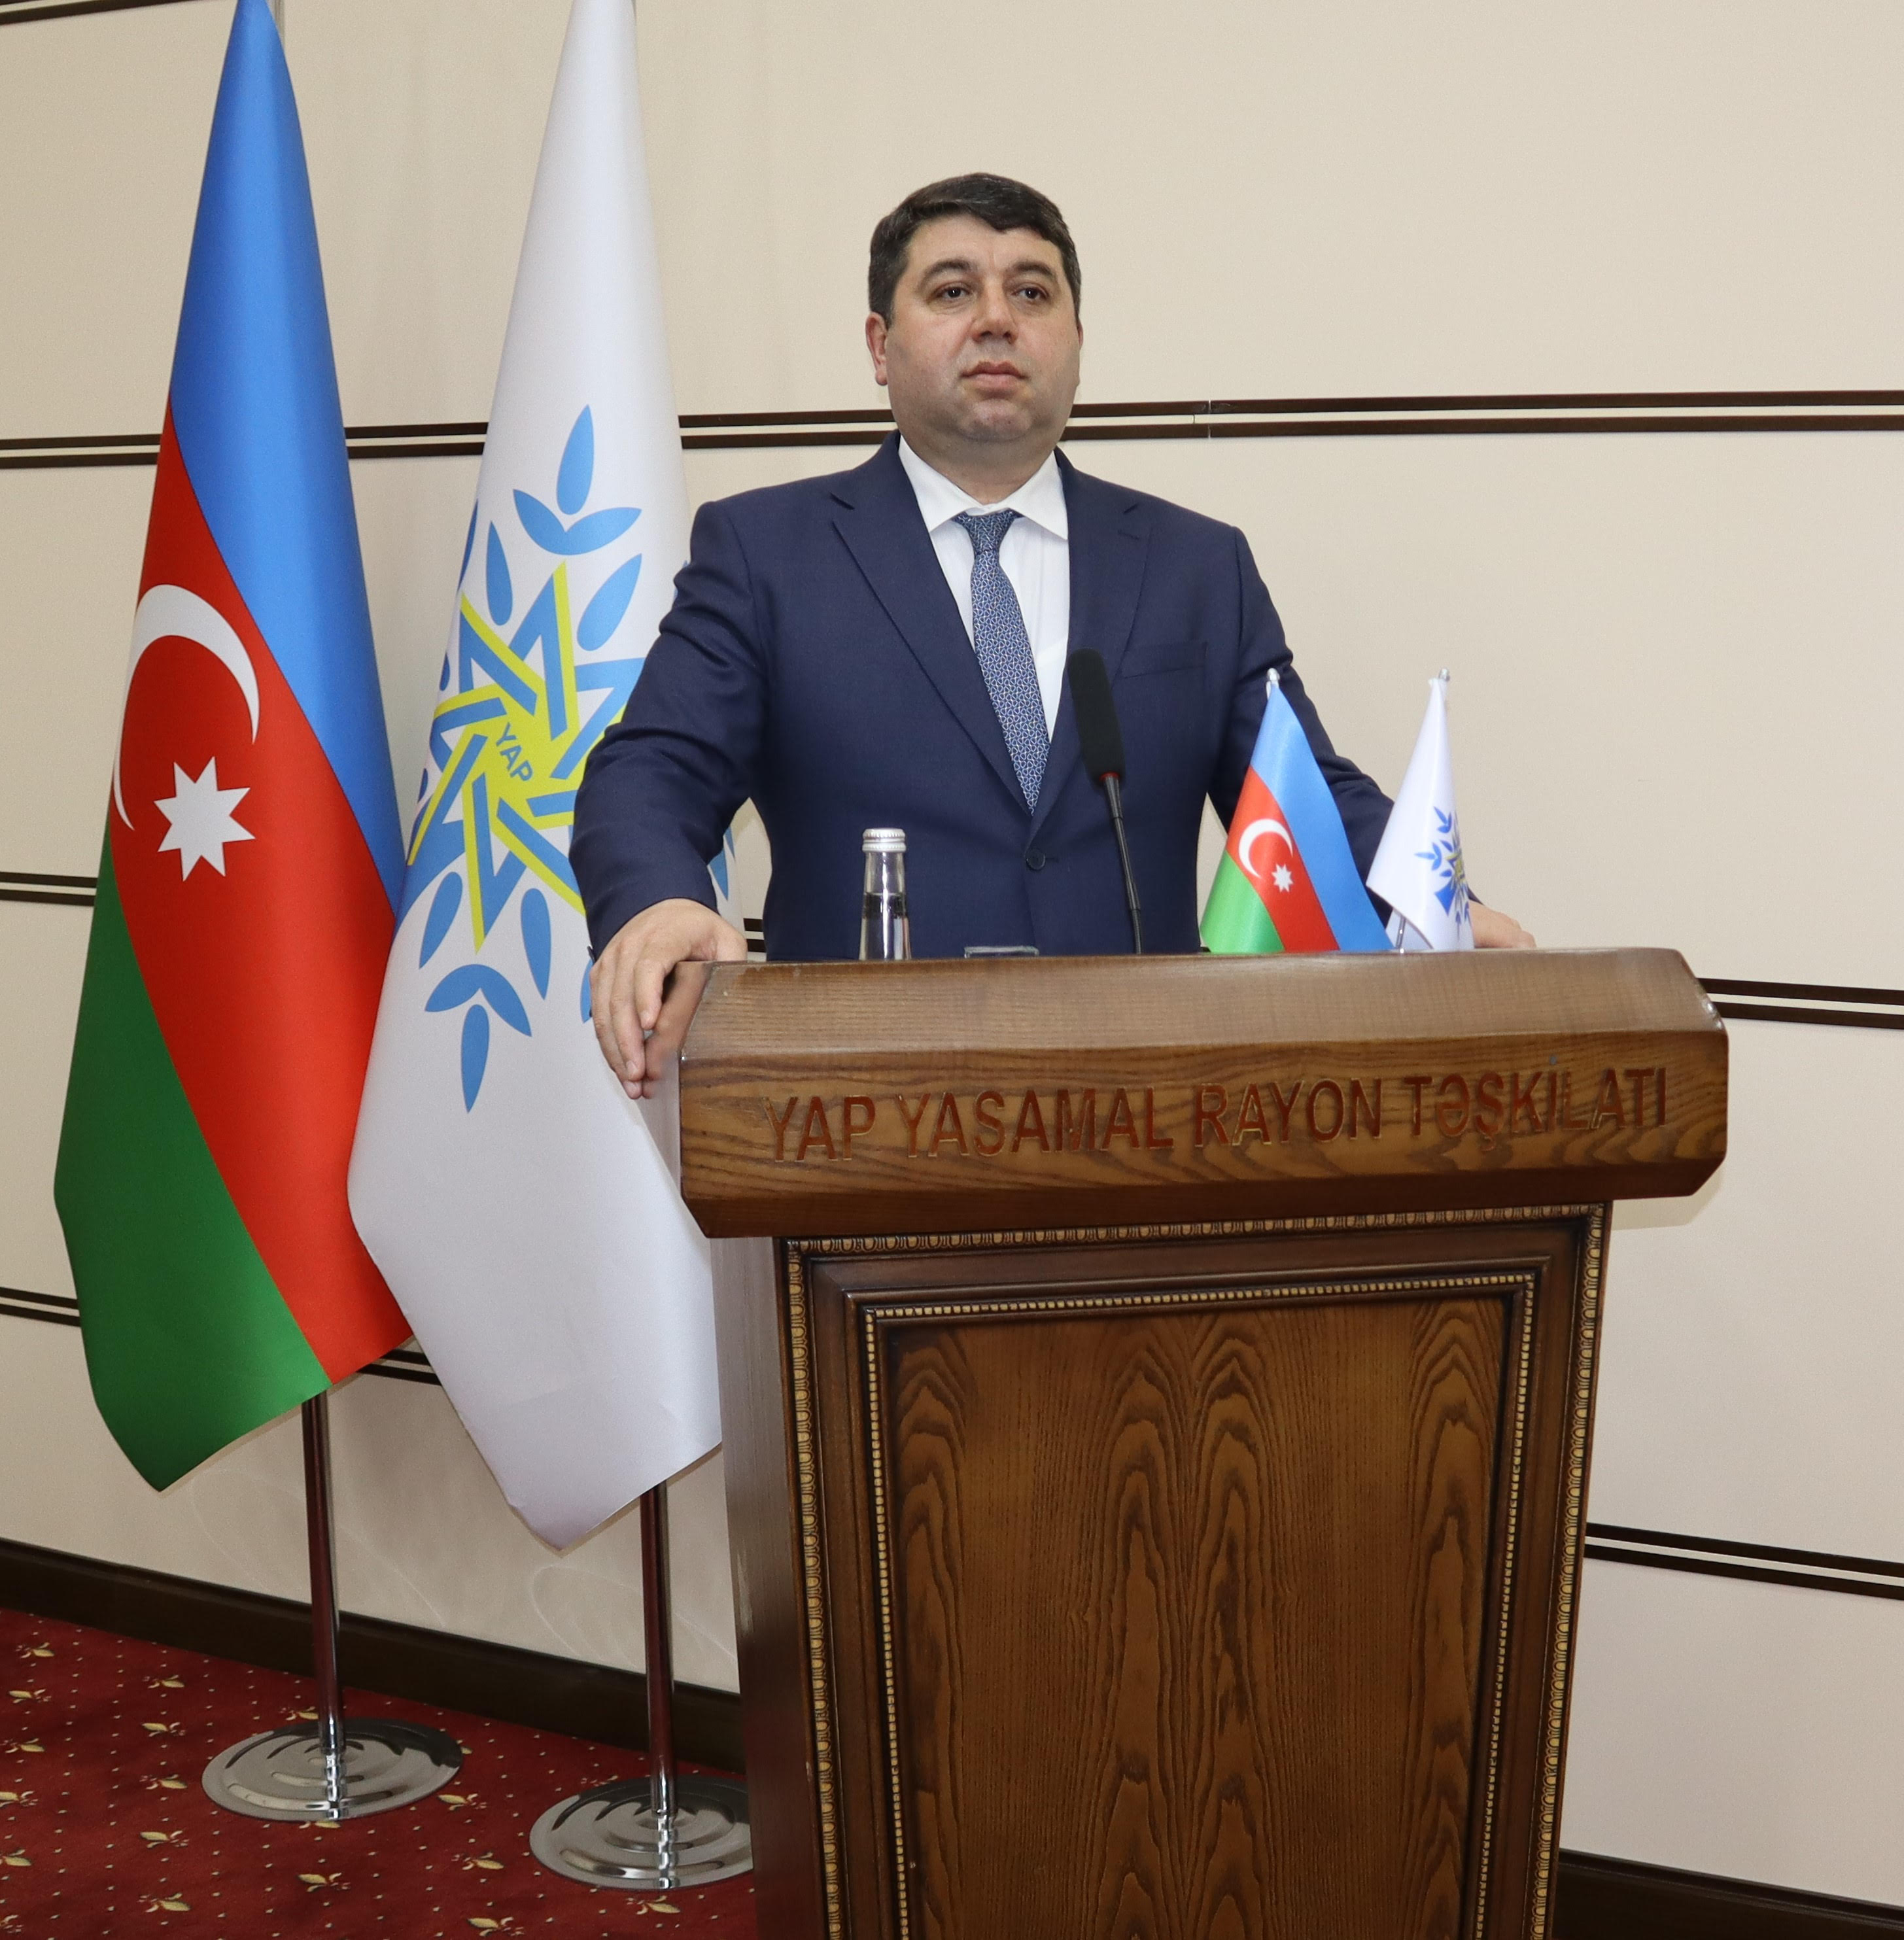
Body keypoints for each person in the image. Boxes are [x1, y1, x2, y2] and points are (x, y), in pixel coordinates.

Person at [574, 173, 1533, 1098]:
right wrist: (659, 900)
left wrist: (1436, 906)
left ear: (1075, 340)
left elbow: (1305, 798)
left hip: (1147, 1106)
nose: (997, 318)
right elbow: (650, 770)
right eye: (953, 291)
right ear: (879, 345)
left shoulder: (1197, 566)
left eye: (1032, 292)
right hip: (859, 1103)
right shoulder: (769, 553)